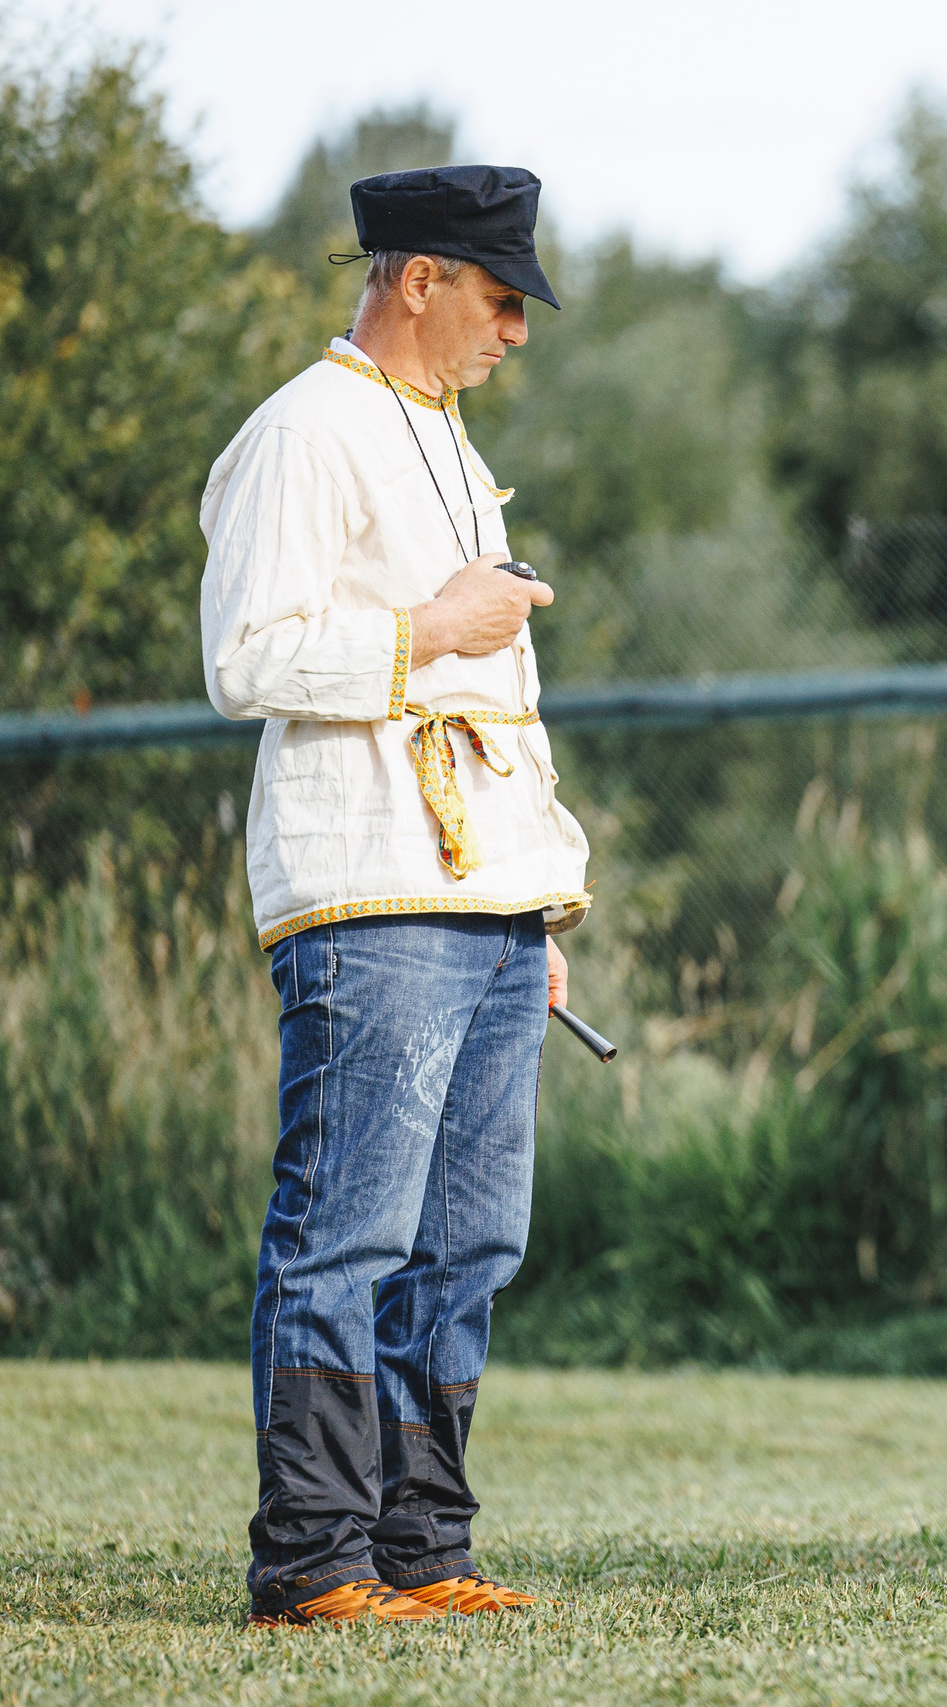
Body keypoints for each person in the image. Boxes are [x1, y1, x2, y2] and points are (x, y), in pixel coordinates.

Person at [199, 166, 590, 1627]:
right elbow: (246, 657)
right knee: (347, 1228)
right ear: (415, 277)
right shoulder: (303, 429)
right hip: (369, 889)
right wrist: (432, 626)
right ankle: (311, 1556)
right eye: (500, 296)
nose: (517, 330)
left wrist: (539, 904)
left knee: (471, 1240)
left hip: (485, 902)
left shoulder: (440, 434)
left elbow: (497, 706)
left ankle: (423, 1542)